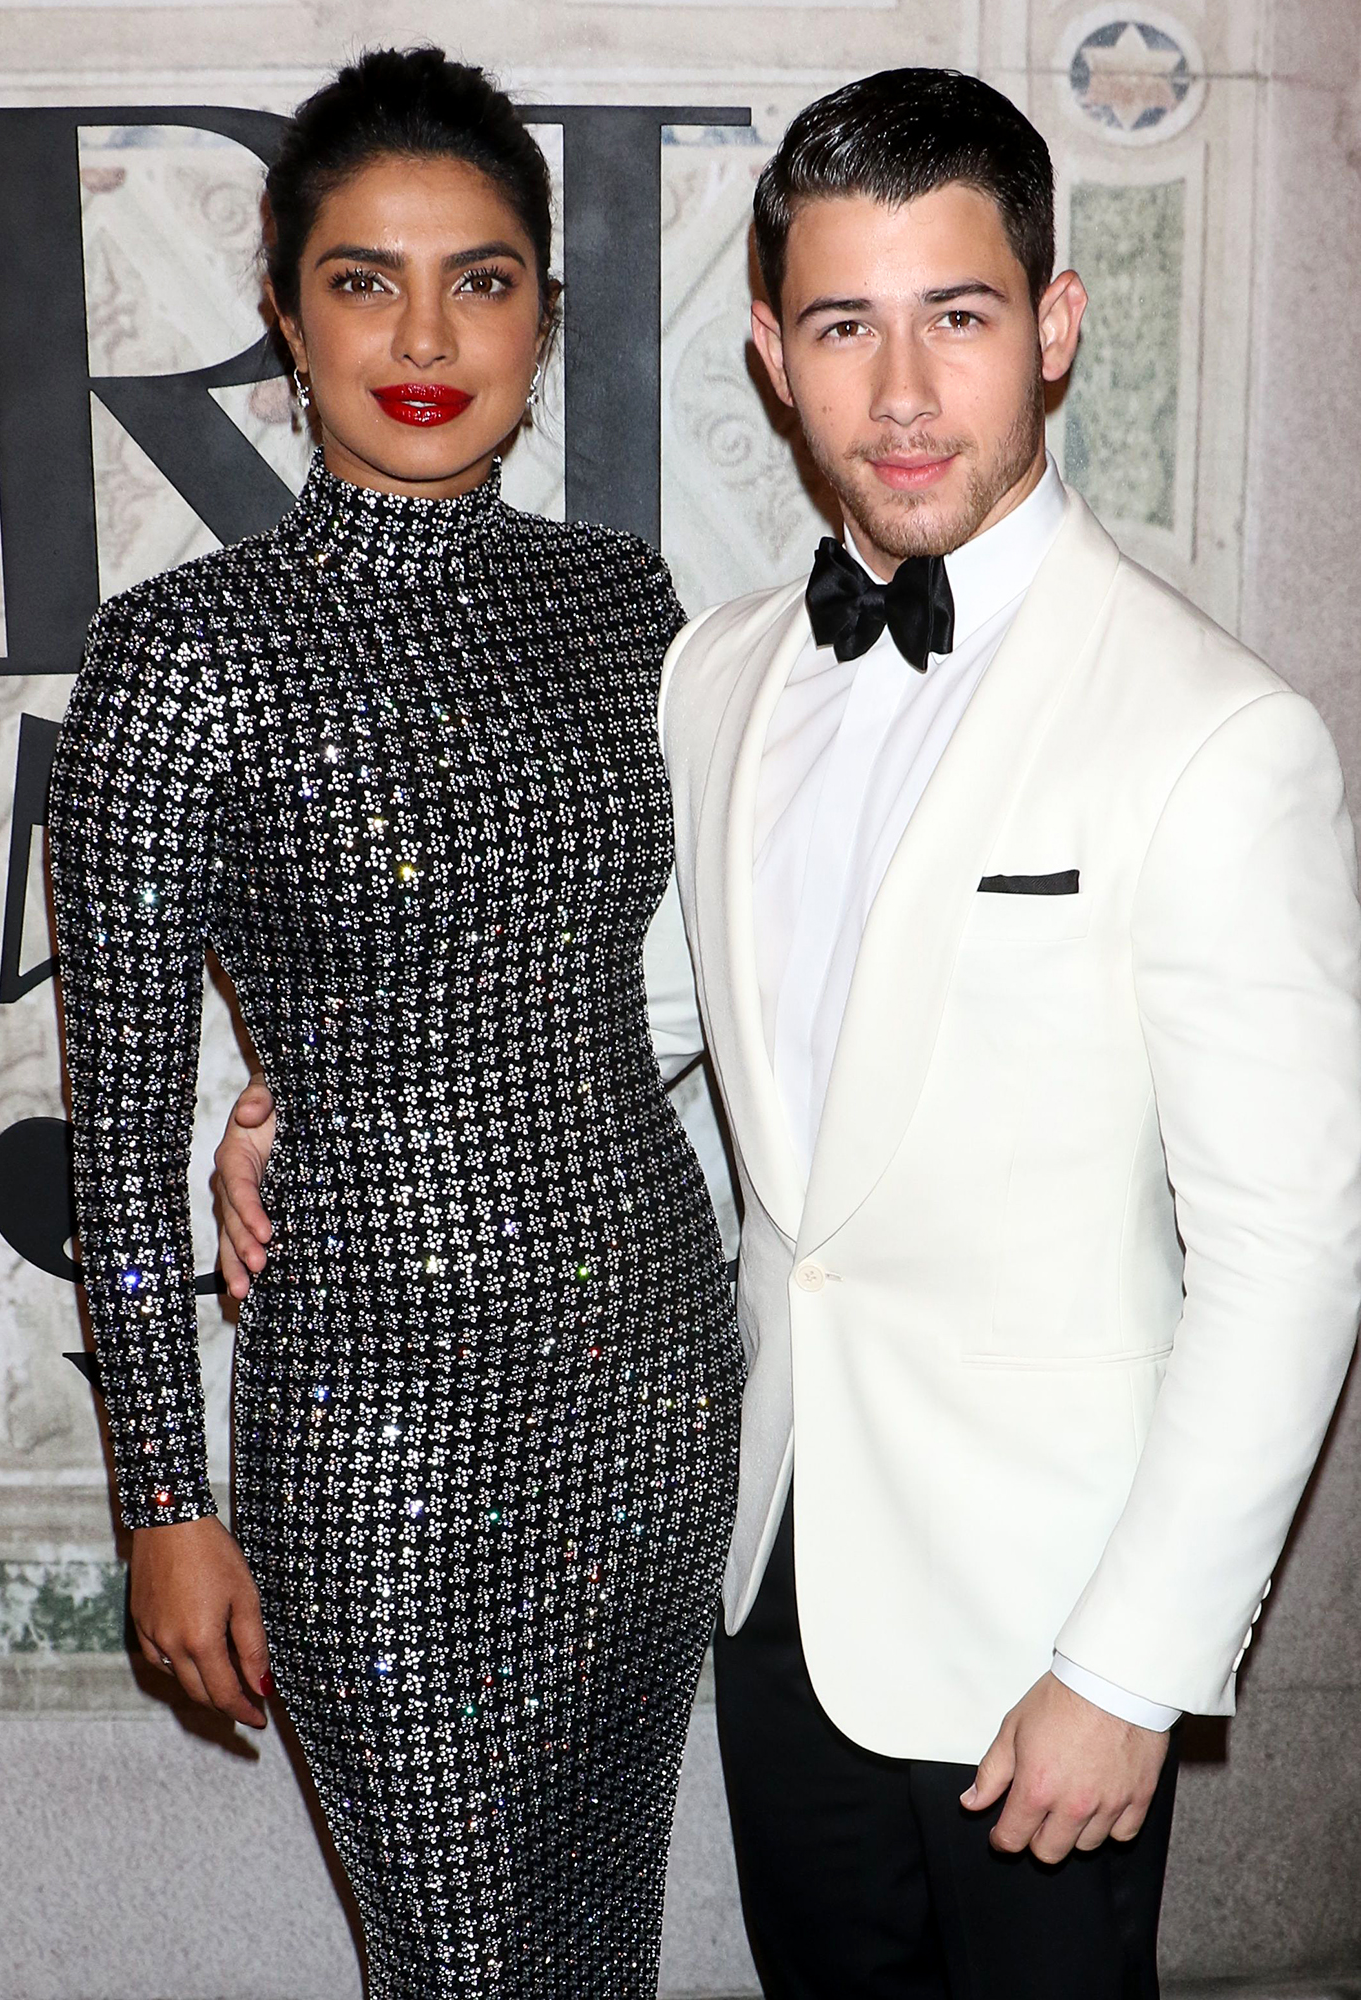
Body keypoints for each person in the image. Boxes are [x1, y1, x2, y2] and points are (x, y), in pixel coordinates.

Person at [215, 64, 1361, 2000]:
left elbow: (1292, 1252)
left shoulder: (1211, 733)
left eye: (957, 316)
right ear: (769, 352)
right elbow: (628, 994)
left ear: (1055, 326)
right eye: (843, 325)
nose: (901, 392)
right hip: (766, 1574)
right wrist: (302, 1097)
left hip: (1044, 1621)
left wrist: (1132, 1666)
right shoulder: (725, 668)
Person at [48, 46, 741, 2000]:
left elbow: (696, 972)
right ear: (285, 308)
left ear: (545, 309)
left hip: (652, 1382)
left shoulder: (628, 606)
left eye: (480, 280)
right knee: (454, 1965)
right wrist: (165, 1506)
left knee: (596, 1947)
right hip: (373, 1421)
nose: (424, 338)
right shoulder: (178, 657)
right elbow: (118, 1140)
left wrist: (316, 1080)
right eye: (365, 281)